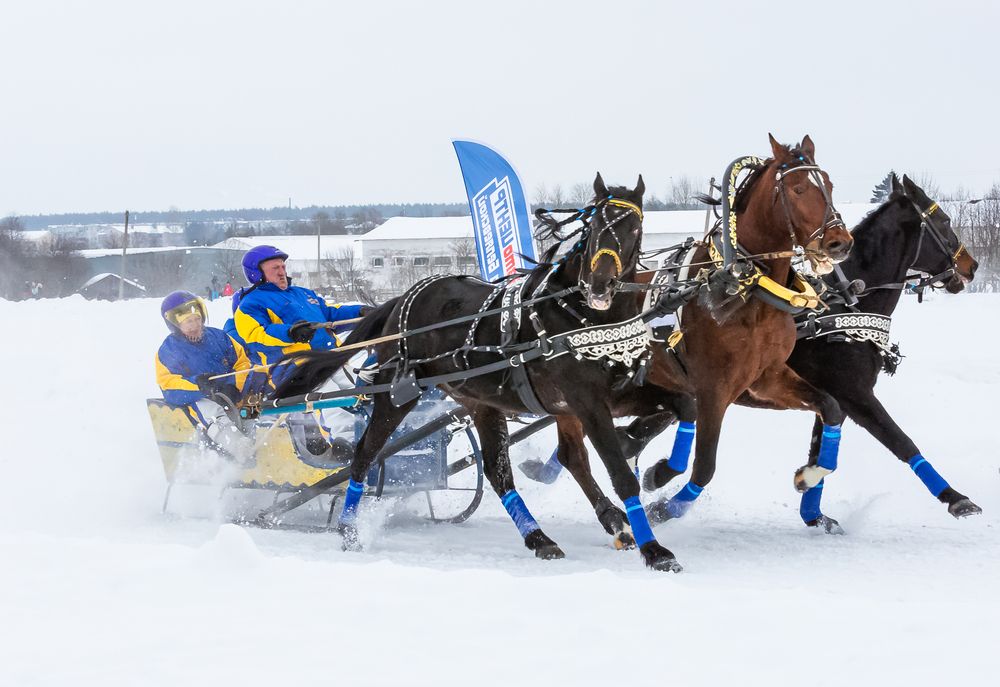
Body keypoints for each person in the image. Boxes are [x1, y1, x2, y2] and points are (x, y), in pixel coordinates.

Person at [234, 245, 369, 389]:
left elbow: (329, 314)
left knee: (361, 393)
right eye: (275, 268)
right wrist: (290, 333)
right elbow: (255, 335)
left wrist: (360, 313)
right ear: (257, 273)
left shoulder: (303, 293)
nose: (282, 272)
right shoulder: (250, 303)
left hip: (332, 358)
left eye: (283, 267)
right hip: (298, 368)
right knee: (334, 406)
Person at [155, 290, 255, 460]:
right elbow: (168, 384)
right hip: (199, 398)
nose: (195, 326)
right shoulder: (168, 351)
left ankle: (258, 431)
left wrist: (234, 385)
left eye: (197, 319)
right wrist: (199, 385)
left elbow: (243, 363)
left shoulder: (220, 337)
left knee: (255, 397)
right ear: (175, 325)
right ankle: (235, 444)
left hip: (230, 392)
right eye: (188, 322)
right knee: (207, 408)